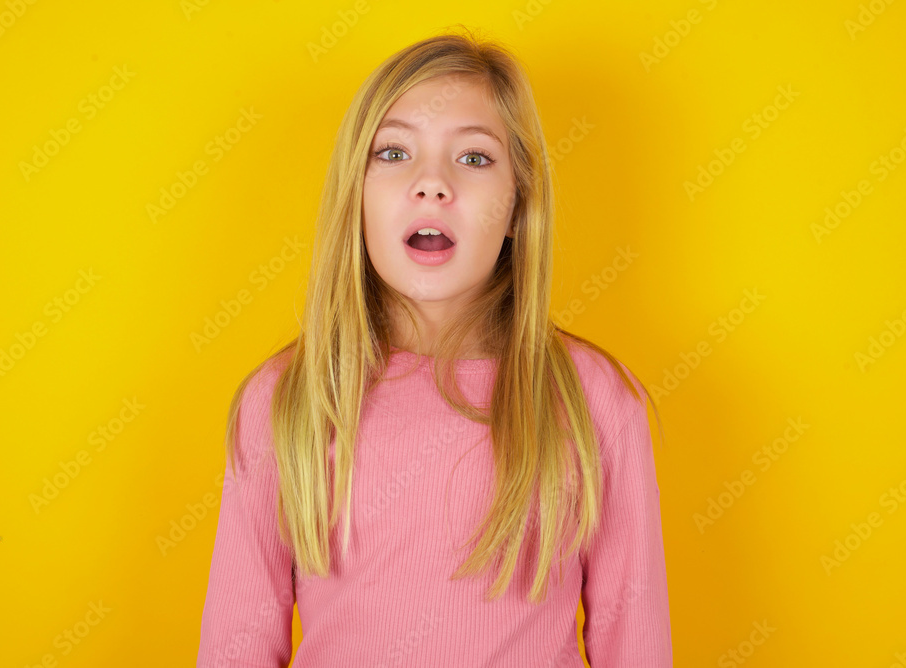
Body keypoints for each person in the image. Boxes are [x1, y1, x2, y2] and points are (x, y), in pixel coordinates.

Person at [197, 25, 672, 667]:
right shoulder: (286, 399)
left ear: (517, 206)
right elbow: (236, 645)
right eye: (394, 154)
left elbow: (633, 637)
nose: (432, 184)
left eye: (474, 158)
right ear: (355, 195)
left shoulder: (598, 400)